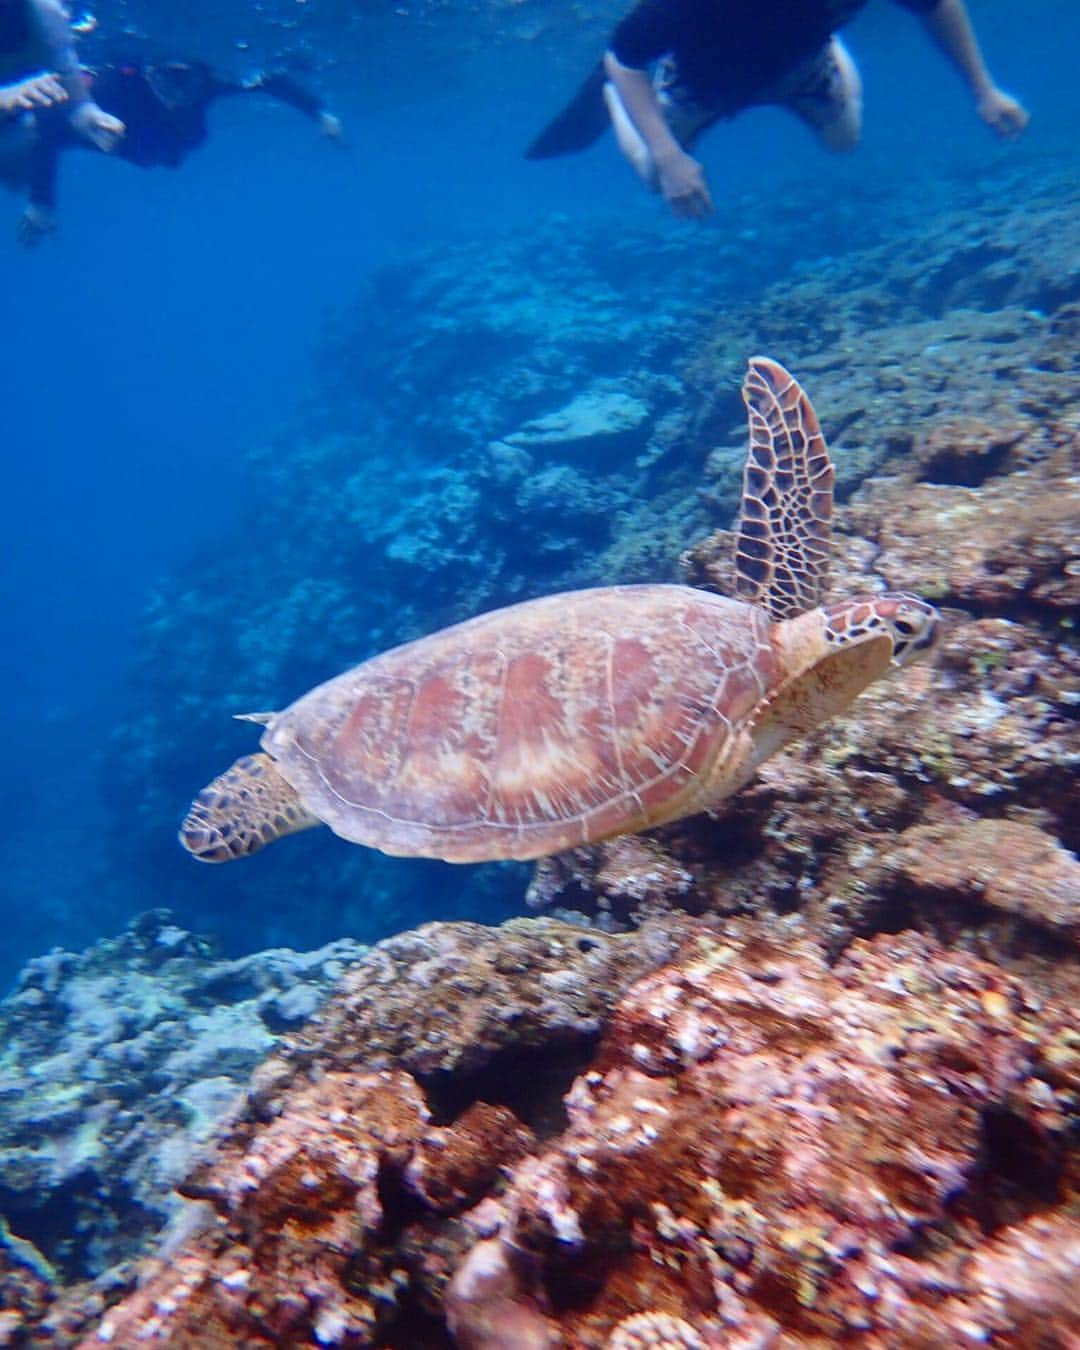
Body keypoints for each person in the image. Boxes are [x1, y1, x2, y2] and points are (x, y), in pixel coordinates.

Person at [526, 0, 1029, 220]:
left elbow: (937, 5)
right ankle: (614, 98)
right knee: (656, 177)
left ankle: (830, 50)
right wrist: (669, 154)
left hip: (801, 63)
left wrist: (984, 89)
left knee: (844, 141)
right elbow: (624, 56)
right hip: (705, 83)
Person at [12, 56, 342, 244]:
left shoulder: (203, 85)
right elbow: (49, 131)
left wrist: (318, 112)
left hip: (157, 143)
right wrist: (41, 203)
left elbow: (267, 80)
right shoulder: (113, 87)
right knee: (39, 129)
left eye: (184, 81)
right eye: (167, 79)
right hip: (133, 140)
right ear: (149, 72)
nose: (175, 90)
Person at [0, 0, 121, 145]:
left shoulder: (44, 10)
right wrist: (4, 100)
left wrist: (89, 118)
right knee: (18, 136)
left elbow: (75, 98)